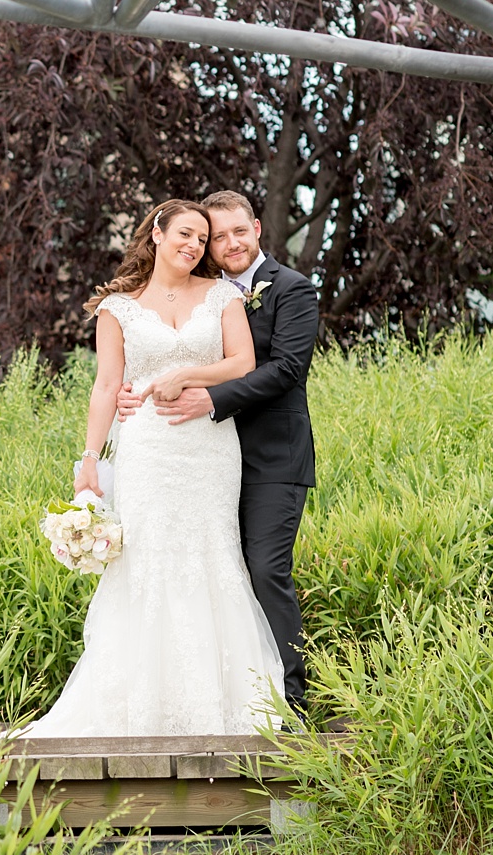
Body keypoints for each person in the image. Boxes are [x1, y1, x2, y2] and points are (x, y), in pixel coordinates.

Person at [19, 199, 284, 739]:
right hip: (146, 450)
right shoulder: (118, 308)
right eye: (185, 233)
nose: (194, 245)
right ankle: (138, 706)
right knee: (147, 559)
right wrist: (89, 460)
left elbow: (243, 363)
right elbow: (105, 386)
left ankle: (223, 703)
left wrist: (187, 374)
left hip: (209, 448)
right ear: (157, 234)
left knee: (212, 554)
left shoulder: (223, 296)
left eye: (201, 237)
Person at [117, 190, 318, 718]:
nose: (227, 244)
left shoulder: (293, 290)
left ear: (257, 228)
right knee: (201, 565)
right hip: (201, 457)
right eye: (215, 235)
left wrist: (212, 397)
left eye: (237, 232)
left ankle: (291, 704)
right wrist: (131, 390)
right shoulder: (199, 291)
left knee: (263, 568)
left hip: (273, 457)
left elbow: (287, 370)